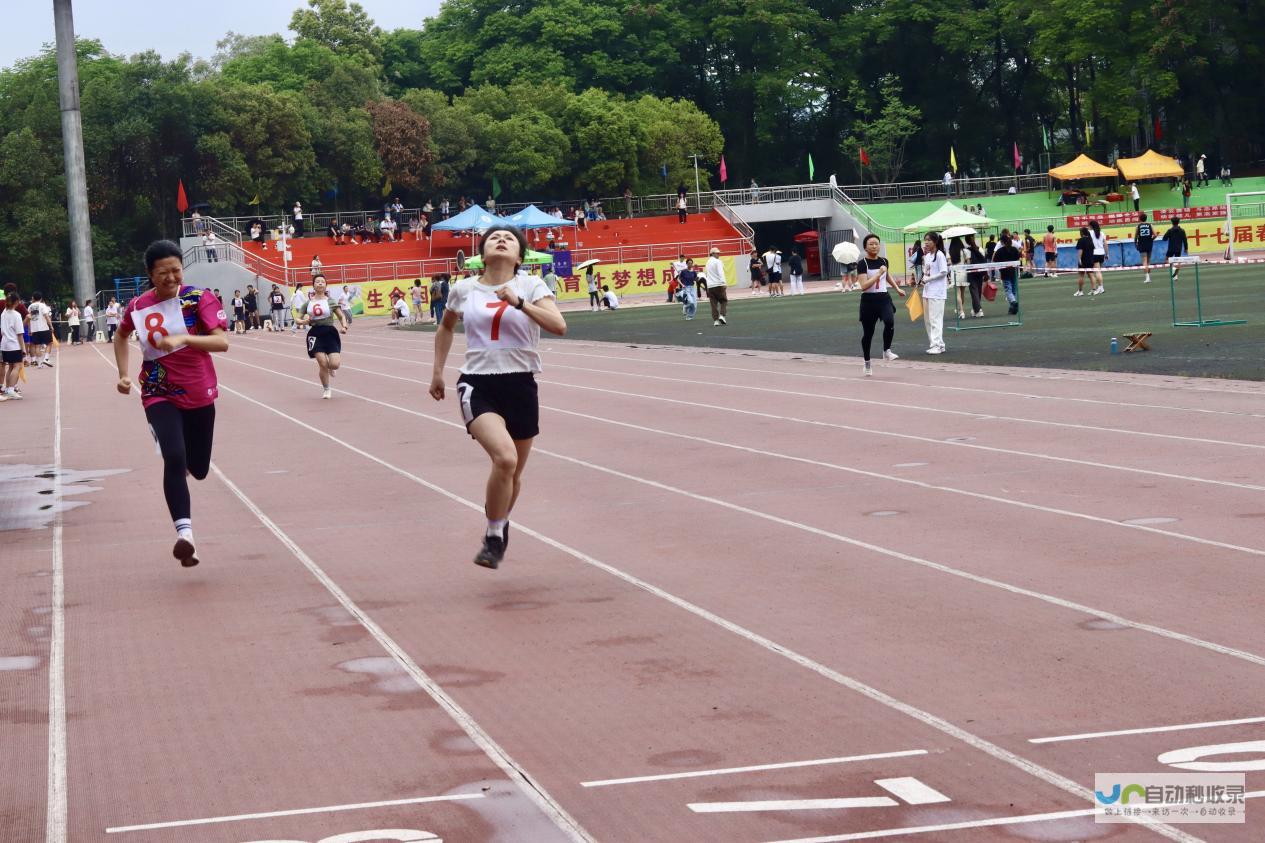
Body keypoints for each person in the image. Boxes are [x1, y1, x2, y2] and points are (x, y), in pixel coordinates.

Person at [429, 224, 566, 569]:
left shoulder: (531, 285)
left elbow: (558, 325)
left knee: (514, 474)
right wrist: (437, 371)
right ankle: (493, 536)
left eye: (509, 239)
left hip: (520, 384)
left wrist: (519, 302)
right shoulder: (464, 289)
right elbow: (446, 326)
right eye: (494, 237)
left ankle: (500, 523)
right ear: (482, 252)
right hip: (478, 383)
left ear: (519, 256)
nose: (501, 240)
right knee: (504, 459)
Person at [114, 239, 229, 567]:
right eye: (163, 272)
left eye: (176, 270)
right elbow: (121, 336)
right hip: (157, 391)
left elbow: (222, 342)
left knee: (199, 468)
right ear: (150, 274)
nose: (171, 277)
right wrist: (123, 374)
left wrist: (183, 338)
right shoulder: (137, 306)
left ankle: (187, 478)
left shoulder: (198, 299)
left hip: (199, 392)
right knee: (174, 458)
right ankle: (185, 536)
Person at [856, 233, 907, 376]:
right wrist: (878, 274)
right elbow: (864, 286)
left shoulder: (884, 260)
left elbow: (887, 276)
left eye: (876, 243)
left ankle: (886, 351)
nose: (874, 246)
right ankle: (867, 362)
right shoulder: (862, 264)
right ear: (865, 247)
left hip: (884, 298)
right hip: (868, 301)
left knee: (890, 321)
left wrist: (897, 289)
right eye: (871, 244)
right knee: (868, 334)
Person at [295, 275, 347, 400]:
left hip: (330, 332)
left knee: (334, 364)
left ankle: (331, 368)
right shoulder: (308, 303)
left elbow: (341, 316)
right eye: (317, 282)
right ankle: (327, 389)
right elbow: (297, 318)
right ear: (313, 285)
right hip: (315, 334)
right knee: (322, 363)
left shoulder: (331, 301)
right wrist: (303, 322)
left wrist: (344, 326)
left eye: (322, 282)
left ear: (326, 285)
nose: (320, 283)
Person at [920, 232, 948, 354]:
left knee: (935, 319)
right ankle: (937, 343)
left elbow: (943, 272)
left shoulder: (940, 255)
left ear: (935, 242)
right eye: (925, 240)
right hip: (927, 291)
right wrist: (922, 280)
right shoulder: (927, 256)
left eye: (929, 240)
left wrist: (929, 279)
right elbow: (927, 272)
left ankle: (937, 344)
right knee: (928, 319)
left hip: (937, 292)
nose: (926, 242)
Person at [0, 293, 27, 400]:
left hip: (4, 343)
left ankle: (7, 389)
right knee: (17, 366)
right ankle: (11, 389)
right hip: (14, 344)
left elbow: (2, 330)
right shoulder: (16, 315)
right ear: (16, 302)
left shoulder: (3, 313)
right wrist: (23, 349)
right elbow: (20, 333)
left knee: (11, 366)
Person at [994, 232, 1021, 315]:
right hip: (1014, 271)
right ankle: (1012, 308)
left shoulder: (999, 251)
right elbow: (1018, 257)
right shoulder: (1014, 249)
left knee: (1008, 290)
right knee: (1013, 290)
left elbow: (995, 261)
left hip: (1005, 273)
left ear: (1002, 242)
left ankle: (1013, 302)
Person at [704, 246, 728, 326]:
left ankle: (716, 321)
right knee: (724, 301)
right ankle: (722, 315)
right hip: (718, 284)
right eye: (717, 253)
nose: (719, 254)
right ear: (712, 253)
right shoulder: (718, 262)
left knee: (713, 304)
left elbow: (706, 274)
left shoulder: (707, 263)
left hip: (710, 286)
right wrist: (724, 283)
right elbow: (721, 272)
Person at [28, 292, 54, 366]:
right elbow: (46, 316)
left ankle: (39, 363)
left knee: (37, 345)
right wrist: (51, 326)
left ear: (33, 298)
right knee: (49, 343)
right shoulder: (42, 305)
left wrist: (30, 329)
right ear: (41, 298)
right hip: (43, 328)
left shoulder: (30, 307)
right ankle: (46, 359)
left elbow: (29, 318)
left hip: (34, 329)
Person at [948, 236, 969, 319]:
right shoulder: (964, 250)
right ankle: (961, 310)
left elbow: (949, 263)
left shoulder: (950, 251)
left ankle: (961, 311)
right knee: (962, 293)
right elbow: (968, 261)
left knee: (958, 293)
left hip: (955, 272)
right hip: (963, 272)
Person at [1134, 213, 1156, 284]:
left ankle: (1147, 278)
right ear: (1146, 218)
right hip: (1149, 244)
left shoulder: (1138, 226)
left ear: (1140, 219)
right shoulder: (1150, 225)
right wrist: (1151, 239)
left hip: (1142, 244)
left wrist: (1136, 244)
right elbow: (1155, 235)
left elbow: (1135, 237)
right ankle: (1149, 277)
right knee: (1148, 262)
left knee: (1144, 262)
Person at [1073, 226, 1094, 297]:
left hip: (1083, 260)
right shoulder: (1090, 240)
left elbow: (1080, 251)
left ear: (1082, 233)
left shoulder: (1081, 240)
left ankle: (1080, 291)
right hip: (1090, 260)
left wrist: (1079, 259)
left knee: (1081, 275)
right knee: (1091, 275)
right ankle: (1093, 290)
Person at [1088, 219, 1107, 295]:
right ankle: (1100, 287)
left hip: (1094, 253)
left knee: (1097, 272)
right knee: (1099, 271)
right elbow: (1105, 244)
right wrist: (1107, 254)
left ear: (1091, 226)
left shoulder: (1089, 233)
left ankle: (1101, 288)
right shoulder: (1102, 233)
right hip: (1101, 253)